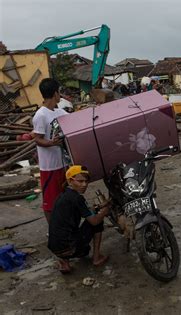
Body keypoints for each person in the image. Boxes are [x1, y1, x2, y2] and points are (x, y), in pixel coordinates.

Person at [48, 165, 110, 274]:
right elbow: (94, 221)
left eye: (86, 181)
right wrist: (105, 210)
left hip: (54, 247)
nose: (84, 185)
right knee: (98, 222)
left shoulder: (63, 195)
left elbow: (84, 210)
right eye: (80, 181)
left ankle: (65, 263)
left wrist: (98, 207)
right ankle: (96, 258)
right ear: (70, 181)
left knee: (66, 232)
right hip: (70, 248)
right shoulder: (77, 198)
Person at [33, 78, 69, 224]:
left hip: (62, 164)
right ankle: (53, 231)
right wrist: (51, 143)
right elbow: (37, 139)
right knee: (50, 202)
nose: (60, 95)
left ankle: (64, 226)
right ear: (55, 93)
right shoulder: (40, 115)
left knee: (63, 198)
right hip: (49, 167)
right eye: (59, 92)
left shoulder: (60, 112)